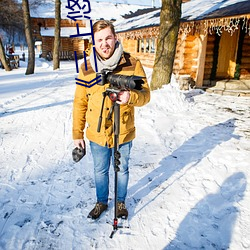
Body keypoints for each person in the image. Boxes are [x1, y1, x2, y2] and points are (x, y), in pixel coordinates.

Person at [72, 20, 150, 220]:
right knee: (100, 170)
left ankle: (121, 202)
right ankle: (101, 202)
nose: (104, 43)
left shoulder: (132, 63)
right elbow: (80, 102)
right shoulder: (87, 68)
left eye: (108, 38)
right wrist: (77, 134)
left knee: (122, 168)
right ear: (93, 42)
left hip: (123, 130)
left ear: (115, 38)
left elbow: (146, 95)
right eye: (99, 39)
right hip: (97, 133)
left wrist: (130, 97)